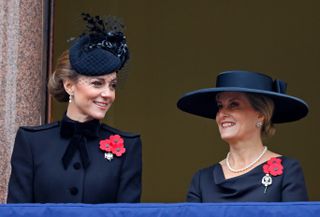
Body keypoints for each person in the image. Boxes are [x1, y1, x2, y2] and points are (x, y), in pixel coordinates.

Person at [7, 13, 142, 203]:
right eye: (97, 83)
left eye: (112, 85)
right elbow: (17, 212)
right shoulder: (32, 142)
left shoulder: (128, 146)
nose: (108, 94)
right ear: (69, 85)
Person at [177, 70, 309, 202]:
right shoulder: (202, 180)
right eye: (220, 106)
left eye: (234, 104)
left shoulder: (288, 171)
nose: (222, 114)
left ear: (260, 114)